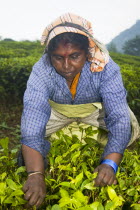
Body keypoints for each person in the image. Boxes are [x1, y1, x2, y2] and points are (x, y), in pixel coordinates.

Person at [20, 13, 140, 208]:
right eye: (58, 58)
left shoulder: (106, 69)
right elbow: (33, 117)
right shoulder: (41, 70)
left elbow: (118, 118)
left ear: (87, 53)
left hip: (94, 111)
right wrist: (35, 174)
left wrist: (110, 164)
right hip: (56, 112)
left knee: (126, 126)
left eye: (74, 56)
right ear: (50, 56)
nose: (66, 66)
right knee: (28, 148)